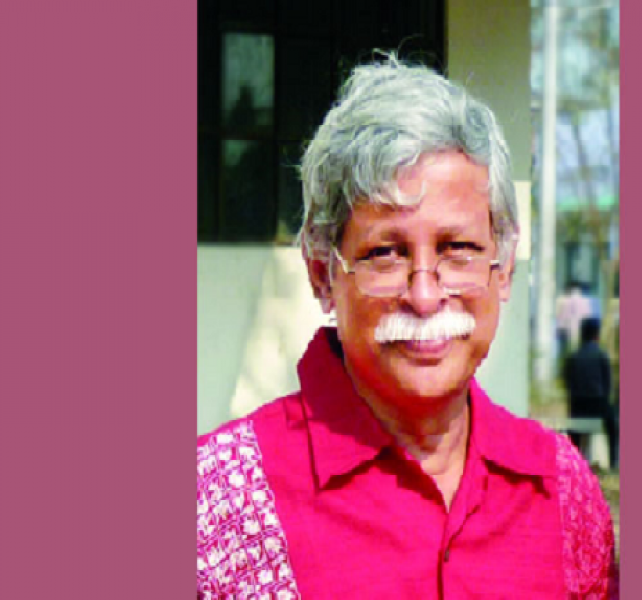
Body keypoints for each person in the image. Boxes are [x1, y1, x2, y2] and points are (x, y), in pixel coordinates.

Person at [198, 56, 616, 599]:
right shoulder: (221, 501)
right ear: (323, 274)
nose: (424, 296)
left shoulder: (562, 492)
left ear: (504, 268)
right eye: (385, 254)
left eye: (458, 248)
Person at [562, 317, 619, 470]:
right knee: (613, 426)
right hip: (598, 404)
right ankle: (614, 462)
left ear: (582, 334)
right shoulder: (601, 355)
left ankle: (575, 461)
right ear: (597, 335)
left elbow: (568, 383)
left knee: (574, 427)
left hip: (578, 407)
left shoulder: (573, 357)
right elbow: (607, 386)